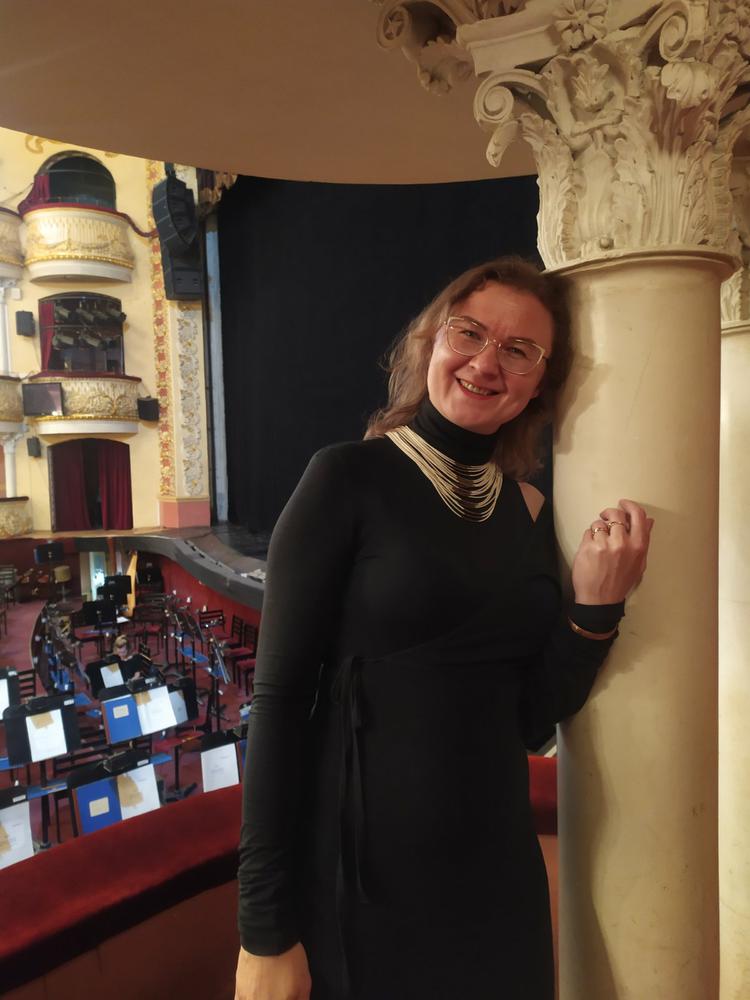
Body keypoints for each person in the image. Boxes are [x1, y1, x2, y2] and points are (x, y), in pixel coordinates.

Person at [234, 257, 653, 1000]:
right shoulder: (344, 478)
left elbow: (530, 717)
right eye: (470, 333)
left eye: (519, 350)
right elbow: (278, 702)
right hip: (364, 877)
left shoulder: (530, 511)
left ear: (540, 383)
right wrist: (263, 928)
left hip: (496, 870)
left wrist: (595, 609)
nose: (486, 363)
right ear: (432, 340)